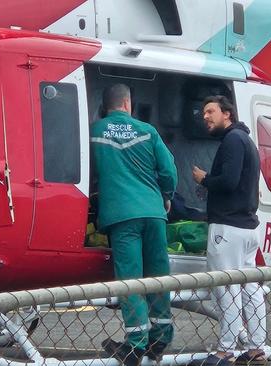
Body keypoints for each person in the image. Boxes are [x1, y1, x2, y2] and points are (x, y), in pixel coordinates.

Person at [90, 84, 178, 366]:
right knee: (158, 277)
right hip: (153, 213)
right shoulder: (148, 131)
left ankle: (136, 344)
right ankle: (161, 337)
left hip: (122, 216)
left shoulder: (95, 131)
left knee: (131, 281)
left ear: (106, 106)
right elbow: (169, 170)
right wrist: (166, 196)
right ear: (128, 103)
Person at [192, 95, 267, 366]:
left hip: (228, 227)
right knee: (249, 288)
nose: (206, 117)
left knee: (226, 288)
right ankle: (257, 347)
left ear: (227, 114)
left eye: (210, 111)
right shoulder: (246, 141)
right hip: (248, 228)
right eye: (203, 113)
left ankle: (226, 350)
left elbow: (228, 181)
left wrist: (205, 179)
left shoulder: (232, 141)